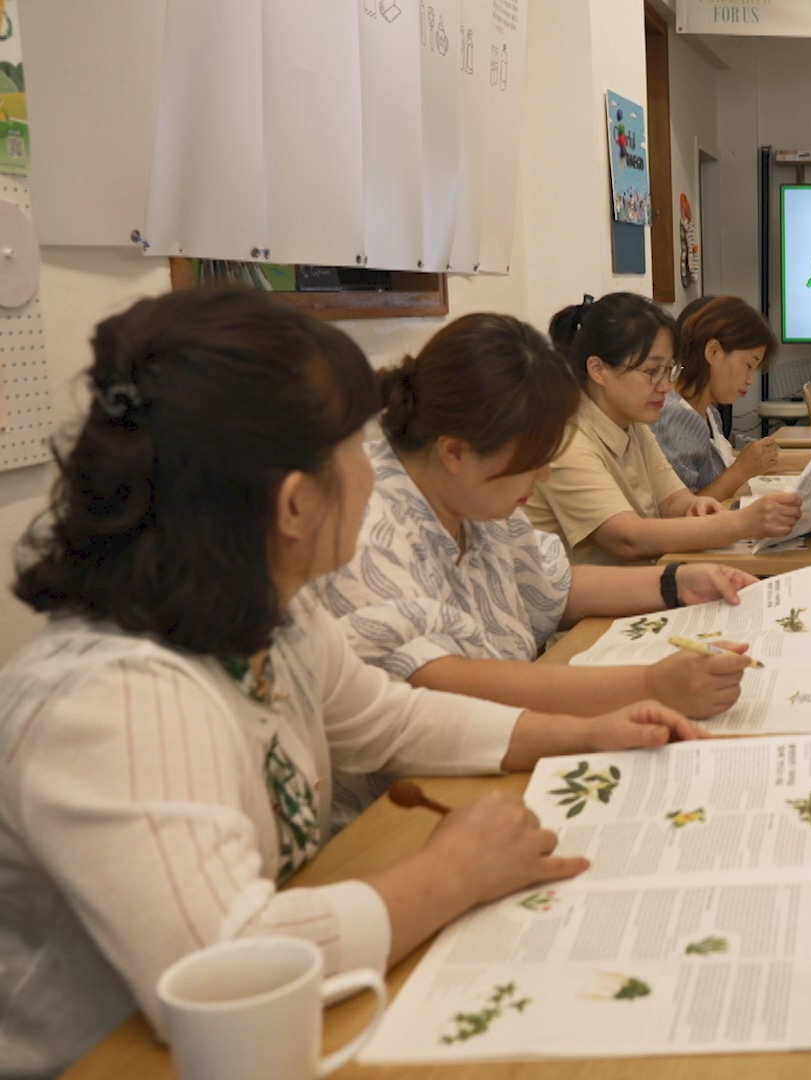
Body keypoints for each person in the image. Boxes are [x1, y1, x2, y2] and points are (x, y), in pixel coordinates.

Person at [0, 289, 709, 1078]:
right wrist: (452, 873)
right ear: (296, 504)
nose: (374, 476)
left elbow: (392, 719)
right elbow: (225, 967)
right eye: (355, 451)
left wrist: (583, 732)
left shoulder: (271, 613)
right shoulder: (119, 700)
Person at [309, 313, 757, 723]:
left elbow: (551, 584)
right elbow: (441, 686)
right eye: (533, 458)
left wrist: (678, 582)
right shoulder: (366, 529)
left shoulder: (471, 494)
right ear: (455, 451)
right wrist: (648, 685)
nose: (543, 474)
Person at [525, 293, 802, 564]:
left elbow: (673, 502)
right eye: (651, 372)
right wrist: (740, 523)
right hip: (594, 603)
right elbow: (627, 538)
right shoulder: (567, 440)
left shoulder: (634, 424)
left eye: (668, 370)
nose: (666, 387)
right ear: (598, 370)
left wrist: (696, 508)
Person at [656, 295, 784, 499]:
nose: (751, 380)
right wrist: (740, 471)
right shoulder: (673, 415)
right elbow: (679, 514)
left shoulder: (710, 413)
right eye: (749, 365)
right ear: (713, 351)